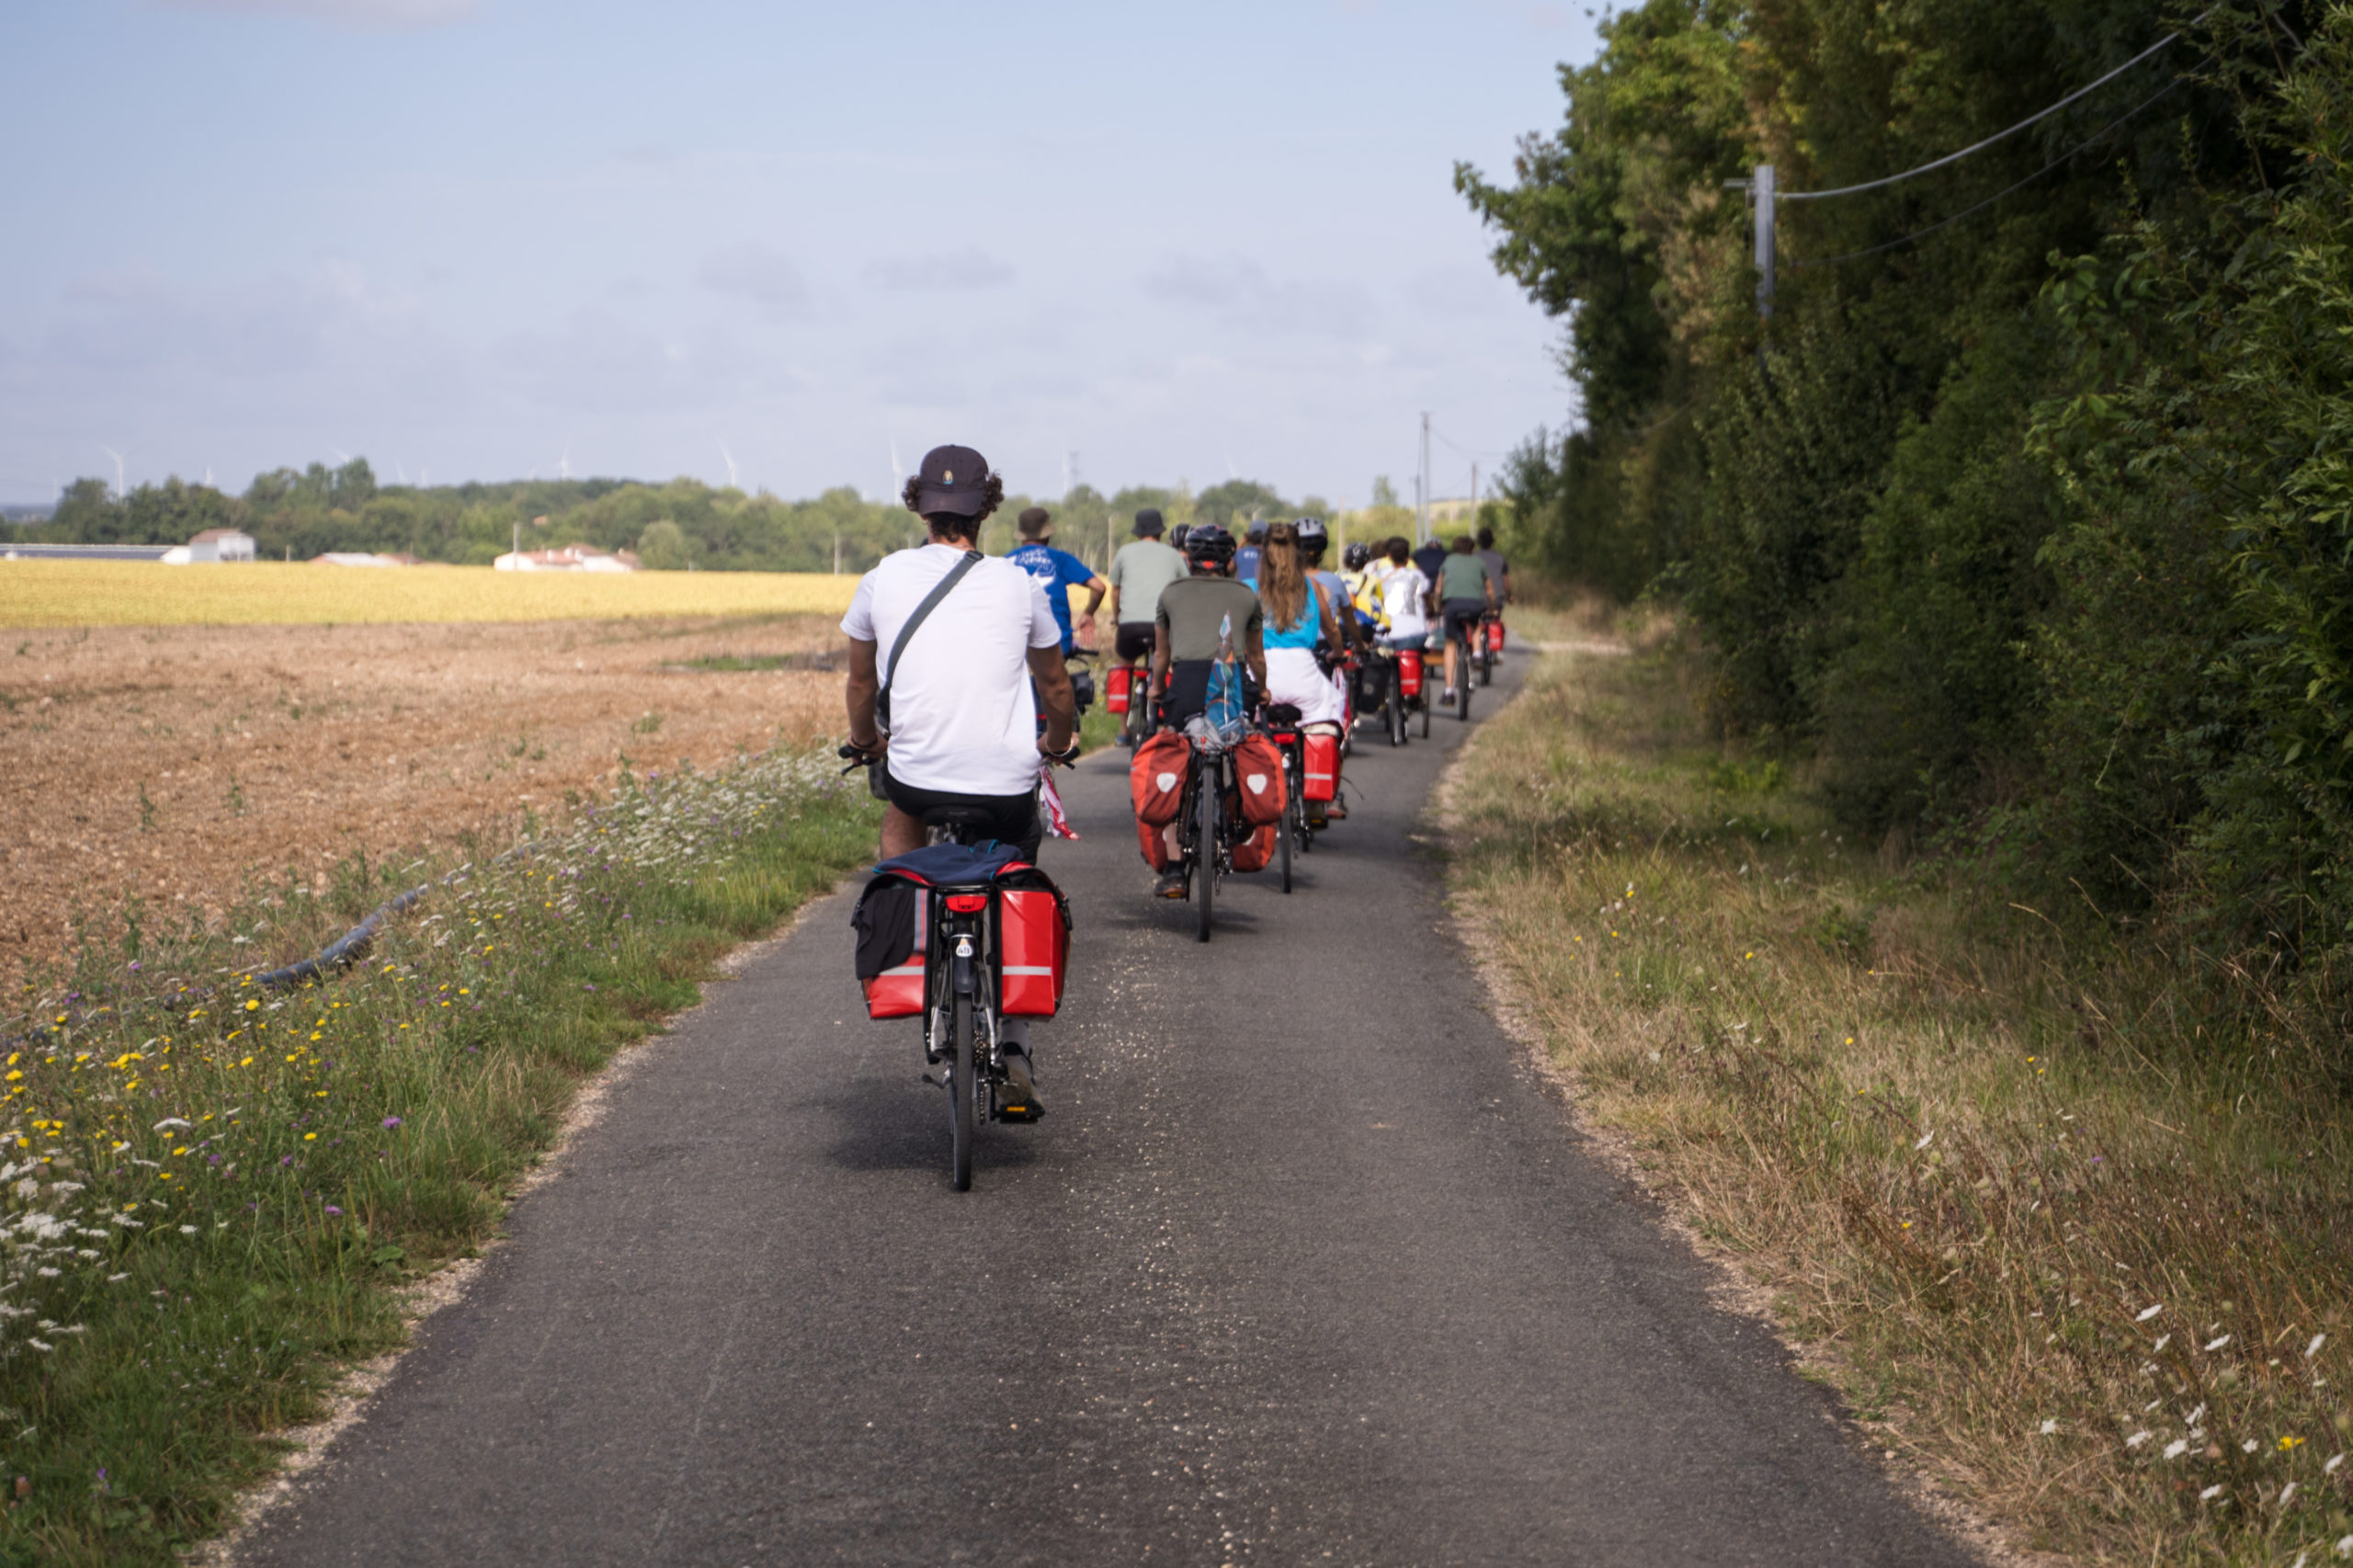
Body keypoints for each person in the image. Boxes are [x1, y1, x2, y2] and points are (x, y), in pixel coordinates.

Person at [842, 446, 1076, 1108]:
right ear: (987, 510)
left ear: (919, 506)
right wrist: (1057, 743)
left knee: (900, 811)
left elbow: (862, 680)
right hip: (1005, 784)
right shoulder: (1017, 584)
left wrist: (866, 741)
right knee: (1017, 858)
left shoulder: (881, 578)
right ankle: (1017, 1044)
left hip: (918, 777)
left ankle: (914, 932)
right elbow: (1055, 684)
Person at [1147, 522, 1265, 897]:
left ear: (1190, 557)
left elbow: (1162, 655)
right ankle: (1237, 817)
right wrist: (1262, 690)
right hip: (1231, 680)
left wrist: (1155, 687)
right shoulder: (1246, 594)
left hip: (1187, 683)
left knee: (1176, 761)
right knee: (1235, 748)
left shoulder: (1170, 594)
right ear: (1230, 558)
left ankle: (1175, 867)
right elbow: (1257, 656)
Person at [1256, 521, 1348, 825]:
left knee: (1246, 732)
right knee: (1328, 720)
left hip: (1261, 675)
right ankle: (1314, 799)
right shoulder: (1312, 587)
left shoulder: (1252, 588)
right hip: (1304, 674)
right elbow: (1332, 629)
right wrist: (1338, 651)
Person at [1104, 509, 1188, 745]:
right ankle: (1172, 721)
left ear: (1137, 532)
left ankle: (1122, 731)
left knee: (1124, 664)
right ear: (1160, 533)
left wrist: (1117, 616)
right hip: (1162, 626)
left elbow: (1116, 591)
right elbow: (1184, 588)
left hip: (1129, 627)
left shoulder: (1123, 552)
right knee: (1172, 663)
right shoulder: (1173, 555)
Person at [1005, 506, 1106, 656]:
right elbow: (1098, 587)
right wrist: (1088, 613)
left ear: (1022, 535)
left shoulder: (1007, 561)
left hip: (1015, 642)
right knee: (1055, 679)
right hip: (1056, 641)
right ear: (1047, 535)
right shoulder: (1059, 558)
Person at [1435, 533, 1499, 706]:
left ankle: (1449, 692)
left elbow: (1439, 589)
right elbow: (1490, 591)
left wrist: (1437, 607)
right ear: (1472, 549)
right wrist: (1492, 609)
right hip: (1473, 605)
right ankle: (1477, 654)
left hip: (1452, 606)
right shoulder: (1479, 563)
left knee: (1450, 644)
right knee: (1476, 624)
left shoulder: (1447, 562)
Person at [1376, 536, 1433, 653]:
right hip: (1418, 635)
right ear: (1408, 558)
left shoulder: (1380, 576)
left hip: (1390, 637)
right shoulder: (1417, 575)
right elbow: (1427, 597)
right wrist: (1430, 610)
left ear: (1389, 556)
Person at [1233, 519, 1267, 586]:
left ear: (1248, 537)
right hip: (1262, 592)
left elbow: (1230, 567)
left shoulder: (1240, 552)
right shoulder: (1268, 553)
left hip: (1243, 590)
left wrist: (1243, 541)